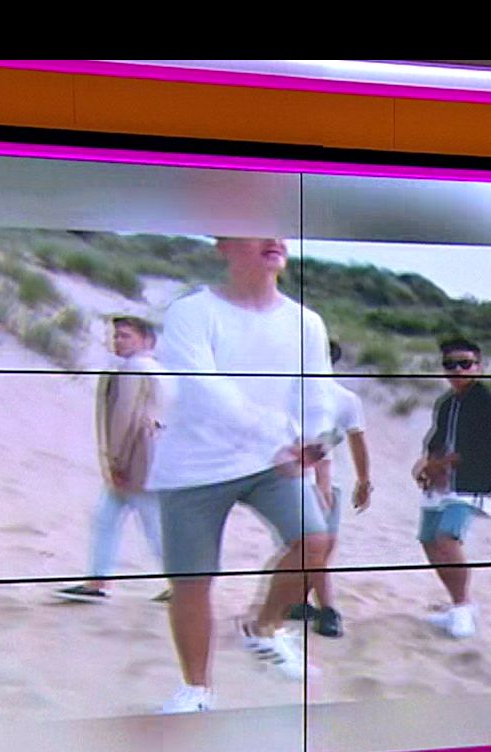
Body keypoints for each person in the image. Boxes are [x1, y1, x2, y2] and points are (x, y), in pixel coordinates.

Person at [147, 236, 338, 714]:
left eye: (280, 230)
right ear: (225, 245)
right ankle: (196, 690)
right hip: (195, 465)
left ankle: (265, 628)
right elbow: (204, 389)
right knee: (192, 581)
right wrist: (276, 434)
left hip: (271, 462)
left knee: (314, 542)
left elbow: (316, 391)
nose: (275, 239)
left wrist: (313, 442)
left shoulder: (306, 322)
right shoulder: (192, 312)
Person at [57, 316, 171, 605]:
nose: (117, 341)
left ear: (147, 340)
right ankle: (98, 580)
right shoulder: (158, 370)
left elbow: (124, 418)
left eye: (125, 335)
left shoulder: (135, 369)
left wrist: (116, 462)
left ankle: (183, 583)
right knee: (108, 519)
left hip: (137, 460)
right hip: (152, 457)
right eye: (116, 335)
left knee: (147, 524)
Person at [414, 337, 491, 639]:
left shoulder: (488, 403)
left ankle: (463, 606)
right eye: (450, 364)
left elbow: (481, 448)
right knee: (428, 539)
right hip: (441, 483)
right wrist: (426, 465)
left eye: (465, 364)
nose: (457, 370)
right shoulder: (446, 403)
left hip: (470, 483)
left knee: (447, 537)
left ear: (479, 367)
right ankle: (458, 604)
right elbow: (436, 440)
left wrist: (439, 465)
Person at [286, 341, 372, 638]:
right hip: (294, 480)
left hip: (327, 481)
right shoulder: (286, 393)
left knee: (324, 546)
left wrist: (364, 481)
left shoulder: (344, 399)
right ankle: (328, 609)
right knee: (315, 545)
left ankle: (299, 600)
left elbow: (355, 441)